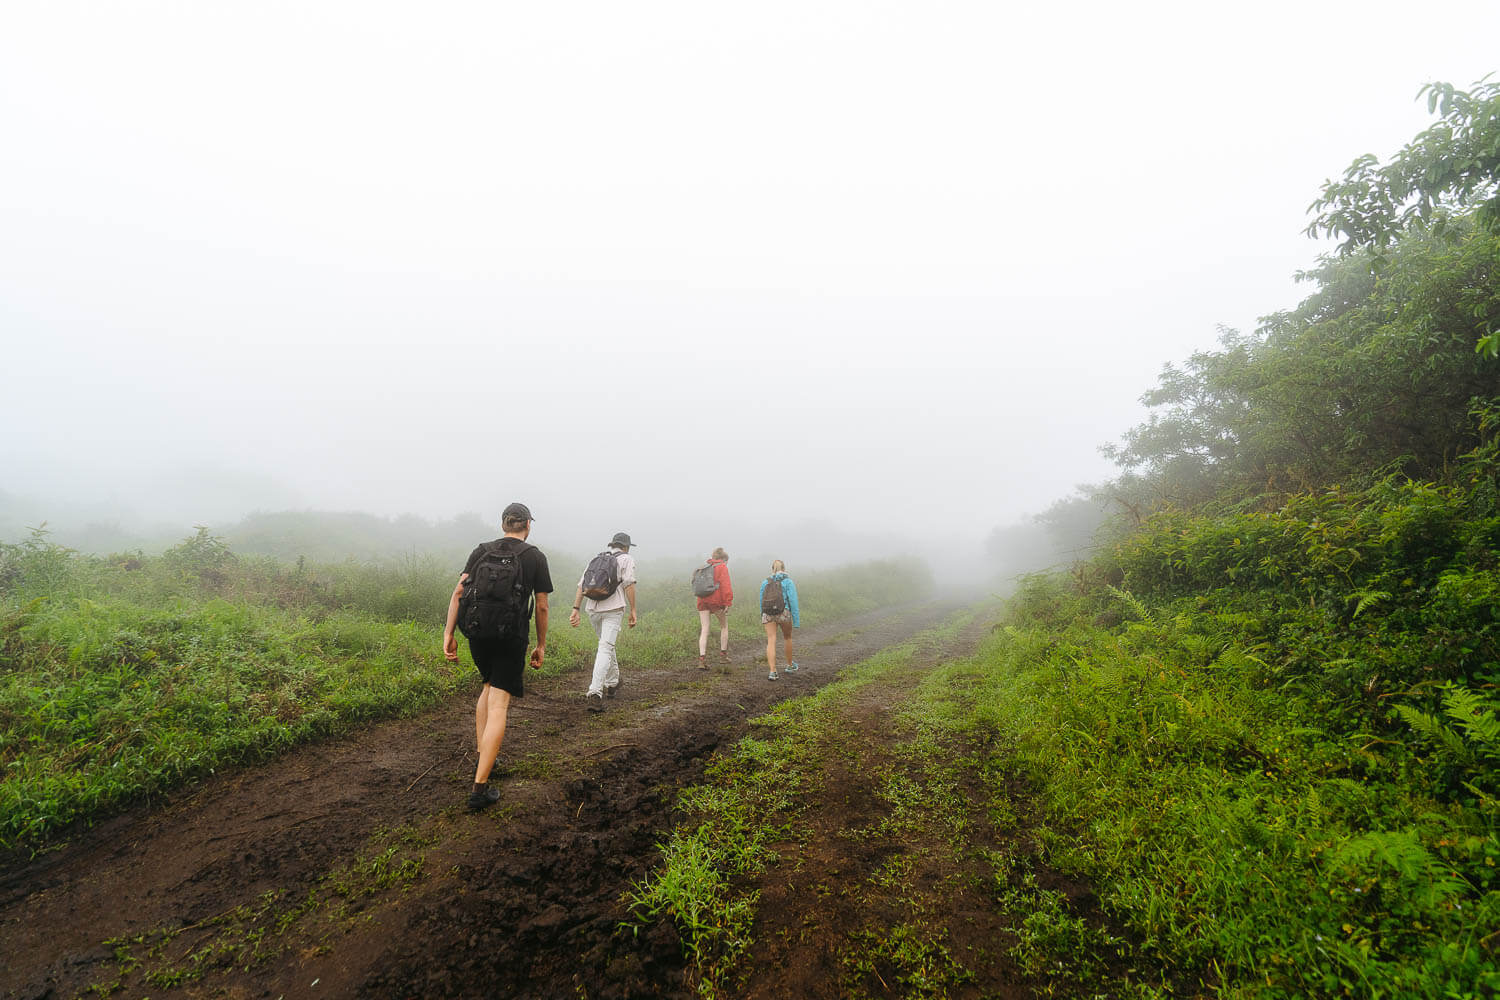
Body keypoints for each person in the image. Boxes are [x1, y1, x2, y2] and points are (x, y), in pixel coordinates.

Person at [443, 501, 553, 812]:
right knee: (499, 702)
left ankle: (486, 756)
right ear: (528, 525)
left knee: (488, 686)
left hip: (476, 632)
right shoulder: (534, 556)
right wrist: (541, 645)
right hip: (510, 636)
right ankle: (480, 788)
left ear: (503, 524)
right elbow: (541, 606)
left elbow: (458, 593)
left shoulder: (482, 550)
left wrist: (448, 634)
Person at [569, 531, 638, 711]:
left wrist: (575, 609)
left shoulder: (597, 559)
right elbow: (629, 584)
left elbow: (581, 585)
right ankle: (595, 692)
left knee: (606, 645)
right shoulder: (627, 559)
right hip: (613, 609)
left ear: (612, 544)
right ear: (626, 546)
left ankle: (613, 682)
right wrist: (633, 610)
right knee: (605, 648)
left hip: (593, 609)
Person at [759, 559, 800, 681]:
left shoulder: (765, 582)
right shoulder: (788, 582)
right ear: (784, 569)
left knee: (771, 640)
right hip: (784, 613)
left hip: (768, 614)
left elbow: (761, 600)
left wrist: (763, 614)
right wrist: (796, 620)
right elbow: (793, 601)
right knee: (787, 637)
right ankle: (790, 665)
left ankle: (772, 672)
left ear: (772, 569)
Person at [694, 547, 734, 668]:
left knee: (704, 629)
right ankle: (723, 656)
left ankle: (702, 659)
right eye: (726, 561)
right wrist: (728, 603)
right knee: (724, 626)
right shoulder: (722, 567)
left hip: (702, 600)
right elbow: (726, 586)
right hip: (716, 601)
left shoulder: (705, 566)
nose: (727, 564)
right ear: (723, 559)